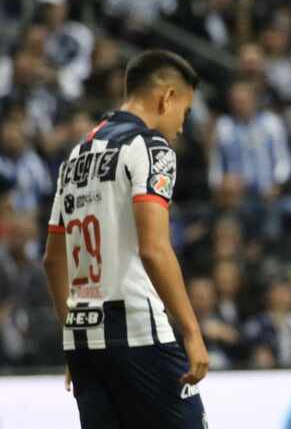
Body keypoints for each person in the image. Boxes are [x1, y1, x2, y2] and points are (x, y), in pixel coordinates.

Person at [41, 50, 209, 428]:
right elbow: (154, 248)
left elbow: (53, 259)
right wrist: (192, 331)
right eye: (184, 111)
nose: (182, 126)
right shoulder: (151, 148)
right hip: (138, 331)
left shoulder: (76, 156)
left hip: (84, 341)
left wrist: (73, 332)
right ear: (166, 97)